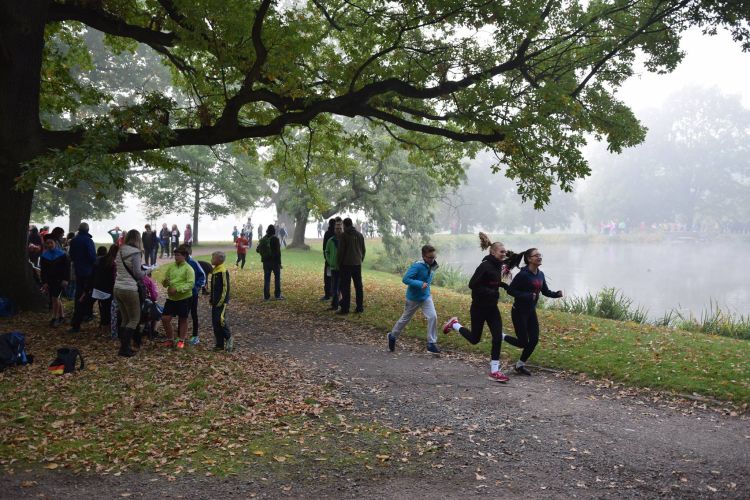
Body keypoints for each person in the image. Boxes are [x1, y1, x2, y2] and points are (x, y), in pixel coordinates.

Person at [441, 232, 514, 382]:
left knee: (497, 337)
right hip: (479, 308)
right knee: (475, 339)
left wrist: (502, 285)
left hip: (492, 308)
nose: (504, 254)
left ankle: (494, 371)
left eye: (505, 252)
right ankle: (454, 324)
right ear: (493, 252)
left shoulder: (499, 265)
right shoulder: (484, 266)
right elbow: (473, 284)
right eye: (501, 252)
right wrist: (491, 292)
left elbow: (491, 281)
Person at [503, 247, 563, 375]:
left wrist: (556, 294)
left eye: (540, 255)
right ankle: (500, 336)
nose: (539, 257)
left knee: (534, 340)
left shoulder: (540, 274)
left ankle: (520, 365)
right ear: (529, 259)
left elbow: (545, 291)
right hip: (519, 312)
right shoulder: (523, 275)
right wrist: (527, 295)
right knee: (522, 342)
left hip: (531, 312)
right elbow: (510, 291)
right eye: (536, 255)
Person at [387, 244, 441, 353]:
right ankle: (392, 336)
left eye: (434, 257)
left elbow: (429, 277)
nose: (432, 259)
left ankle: (431, 343)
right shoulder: (417, 266)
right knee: (405, 319)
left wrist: (426, 286)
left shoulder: (433, 265)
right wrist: (420, 284)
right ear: (423, 256)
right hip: (413, 298)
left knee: (433, 316)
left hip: (426, 297)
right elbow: (406, 279)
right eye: (430, 257)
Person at [113, 229, 146, 357]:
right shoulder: (136, 253)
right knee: (134, 319)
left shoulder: (120, 250)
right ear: (138, 239)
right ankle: (124, 348)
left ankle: (124, 347)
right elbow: (138, 274)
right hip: (129, 289)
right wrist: (148, 271)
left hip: (117, 287)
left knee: (125, 319)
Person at [160, 244, 195, 349]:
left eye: (178, 255)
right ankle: (170, 339)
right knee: (165, 318)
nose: (176, 257)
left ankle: (181, 340)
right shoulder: (171, 267)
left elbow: (190, 284)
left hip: (184, 298)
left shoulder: (189, 269)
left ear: (184, 256)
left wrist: (178, 289)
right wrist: (165, 282)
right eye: (175, 255)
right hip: (171, 298)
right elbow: (165, 282)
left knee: (183, 319)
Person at [68, 222, 97, 333]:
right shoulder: (88, 241)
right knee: (86, 295)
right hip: (87, 271)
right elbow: (92, 256)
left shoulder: (74, 240)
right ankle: (83, 316)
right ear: (87, 230)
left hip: (78, 271)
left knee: (79, 294)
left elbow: (71, 256)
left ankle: (78, 319)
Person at [336, 217, 365, 314]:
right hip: (357, 264)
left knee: (345, 287)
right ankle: (359, 307)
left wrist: (339, 263)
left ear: (344, 225)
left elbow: (341, 251)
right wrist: (360, 259)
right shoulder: (360, 235)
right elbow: (363, 250)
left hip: (346, 265)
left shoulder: (344, 236)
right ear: (351, 224)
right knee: (359, 287)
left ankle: (345, 309)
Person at [39, 235, 69, 327]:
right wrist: (44, 282)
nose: (49, 245)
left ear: (55, 243)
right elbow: (43, 271)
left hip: (60, 280)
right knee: (56, 298)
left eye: (51, 243)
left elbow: (67, 268)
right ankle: (62, 316)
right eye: (47, 243)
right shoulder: (44, 256)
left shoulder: (62, 255)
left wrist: (65, 279)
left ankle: (54, 318)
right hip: (50, 280)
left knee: (55, 298)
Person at [209, 251, 232, 351]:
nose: (211, 259)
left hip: (221, 302)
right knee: (215, 322)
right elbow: (214, 288)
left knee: (220, 321)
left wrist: (221, 301)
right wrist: (211, 298)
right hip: (215, 302)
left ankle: (229, 338)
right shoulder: (215, 270)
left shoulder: (222, 271)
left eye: (213, 258)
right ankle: (219, 344)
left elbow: (225, 287)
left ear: (219, 259)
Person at [91, 245, 117, 336]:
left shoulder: (101, 260)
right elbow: (113, 278)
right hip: (108, 289)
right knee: (108, 310)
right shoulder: (113, 263)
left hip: (99, 288)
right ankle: (107, 329)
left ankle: (103, 327)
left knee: (103, 309)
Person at [186, 246, 207, 345]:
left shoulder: (193, 263)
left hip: (192, 293)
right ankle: (180, 335)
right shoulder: (179, 263)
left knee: (193, 313)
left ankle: (195, 336)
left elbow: (202, 276)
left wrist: (196, 287)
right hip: (182, 294)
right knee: (183, 314)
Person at [256, 224, 283, 300]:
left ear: (267, 230)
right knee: (277, 279)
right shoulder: (276, 239)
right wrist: (279, 263)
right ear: (274, 231)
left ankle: (266, 296)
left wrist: (264, 253)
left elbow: (257, 250)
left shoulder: (263, 239)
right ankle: (277, 295)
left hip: (266, 262)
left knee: (267, 279)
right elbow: (278, 252)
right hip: (275, 262)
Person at [324, 219, 342, 311]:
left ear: (342, 229)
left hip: (343, 267)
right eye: (337, 228)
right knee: (334, 287)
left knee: (342, 287)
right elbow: (326, 251)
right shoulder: (331, 240)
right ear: (334, 229)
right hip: (334, 267)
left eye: (340, 228)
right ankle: (334, 305)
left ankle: (342, 305)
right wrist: (330, 261)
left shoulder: (345, 239)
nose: (338, 230)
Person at [321, 218, 336, 301]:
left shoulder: (327, 233)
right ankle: (334, 293)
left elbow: (324, 247)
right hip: (336, 260)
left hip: (328, 260)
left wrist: (326, 258)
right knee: (335, 278)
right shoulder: (337, 233)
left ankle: (327, 294)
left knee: (327, 277)